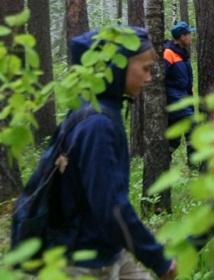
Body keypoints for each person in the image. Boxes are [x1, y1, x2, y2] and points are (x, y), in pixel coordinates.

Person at [19, 27, 176, 279]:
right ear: (117, 66)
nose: (149, 78)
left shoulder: (98, 109)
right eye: (145, 69)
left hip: (106, 246)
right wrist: (157, 259)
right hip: (82, 259)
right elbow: (111, 207)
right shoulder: (97, 124)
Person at [164, 21, 196, 163]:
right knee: (193, 126)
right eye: (189, 34)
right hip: (174, 98)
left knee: (174, 139)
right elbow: (160, 78)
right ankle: (194, 164)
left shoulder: (183, 53)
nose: (191, 37)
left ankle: (163, 160)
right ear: (182, 36)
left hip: (183, 97)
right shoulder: (169, 53)